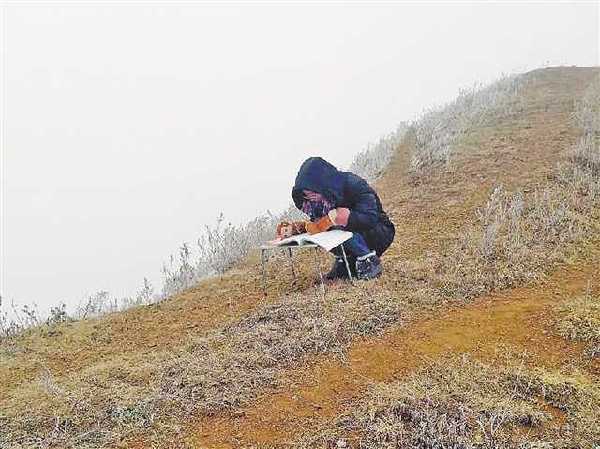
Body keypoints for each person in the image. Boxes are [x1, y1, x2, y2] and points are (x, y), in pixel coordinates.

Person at [276, 156, 395, 281]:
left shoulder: (354, 184)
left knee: (340, 228)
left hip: (378, 231)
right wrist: (298, 228)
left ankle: (368, 260)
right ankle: (345, 260)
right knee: (327, 231)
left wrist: (349, 218)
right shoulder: (315, 202)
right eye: (307, 195)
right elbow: (319, 224)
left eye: (314, 193)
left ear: (324, 185)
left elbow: (371, 217)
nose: (311, 198)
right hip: (349, 234)